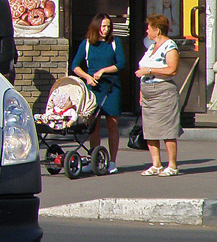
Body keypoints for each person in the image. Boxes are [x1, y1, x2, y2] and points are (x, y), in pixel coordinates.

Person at [70, 13, 125, 172]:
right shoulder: (87, 43)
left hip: (111, 87)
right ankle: (96, 159)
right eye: (103, 26)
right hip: (93, 88)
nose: (106, 30)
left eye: (108, 26)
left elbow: (121, 63)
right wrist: (87, 77)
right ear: (96, 26)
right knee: (93, 125)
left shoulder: (115, 42)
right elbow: (75, 65)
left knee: (112, 125)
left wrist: (103, 71)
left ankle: (112, 162)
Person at [135, 13, 181, 177]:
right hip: (148, 92)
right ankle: (156, 164)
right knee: (150, 130)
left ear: (157, 30)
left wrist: (149, 70)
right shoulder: (151, 47)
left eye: (149, 28)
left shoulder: (170, 46)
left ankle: (172, 165)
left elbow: (171, 69)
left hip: (163, 92)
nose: (147, 31)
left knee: (167, 130)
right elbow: (144, 70)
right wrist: (141, 92)